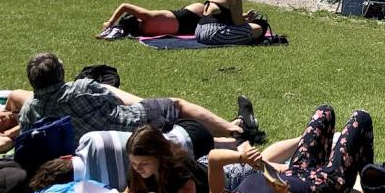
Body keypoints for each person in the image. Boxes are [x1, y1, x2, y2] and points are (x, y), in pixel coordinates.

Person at [196, 105, 373, 193]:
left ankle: (339, 155)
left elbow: (213, 158)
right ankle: (370, 189)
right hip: (325, 188)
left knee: (324, 112)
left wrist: (243, 158)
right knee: (361, 118)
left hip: (298, 170)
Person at [17, 52, 258, 142]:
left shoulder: (29, 110)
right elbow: (116, 101)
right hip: (128, 124)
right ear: (61, 74)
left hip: (86, 144)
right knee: (176, 105)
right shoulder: (81, 88)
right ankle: (235, 130)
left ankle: (234, 133)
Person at [27, 124, 219, 192]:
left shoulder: (101, 187)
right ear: (66, 157)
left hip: (193, 150)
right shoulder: (89, 140)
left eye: (142, 164)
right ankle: (236, 131)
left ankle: (238, 137)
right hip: (186, 131)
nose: (138, 168)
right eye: (135, 164)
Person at [125, 125, 209, 193]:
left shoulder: (179, 174)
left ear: (160, 156)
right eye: (133, 163)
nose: (138, 169)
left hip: (216, 176)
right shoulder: (136, 171)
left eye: (144, 164)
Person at [99, 0, 206, 38]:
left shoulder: (144, 33)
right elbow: (124, 6)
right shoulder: (147, 17)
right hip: (188, 14)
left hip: (187, 29)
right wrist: (110, 22)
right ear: (138, 19)